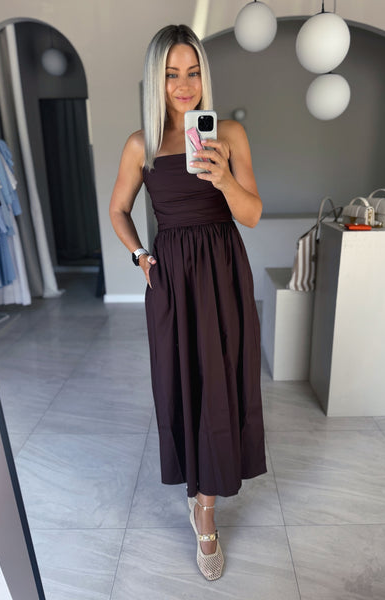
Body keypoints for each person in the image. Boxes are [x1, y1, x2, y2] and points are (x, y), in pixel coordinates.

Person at [109, 24, 266, 581]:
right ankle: (199, 499)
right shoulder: (141, 145)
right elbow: (118, 209)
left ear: (204, 76)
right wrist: (138, 255)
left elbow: (251, 214)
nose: (184, 85)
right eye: (172, 74)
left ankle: (206, 508)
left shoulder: (229, 134)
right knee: (184, 384)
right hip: (173, 280)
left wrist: (223, 178)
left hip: (223, 273)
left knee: (222, 385)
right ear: (156, 80)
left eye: (193, 72)